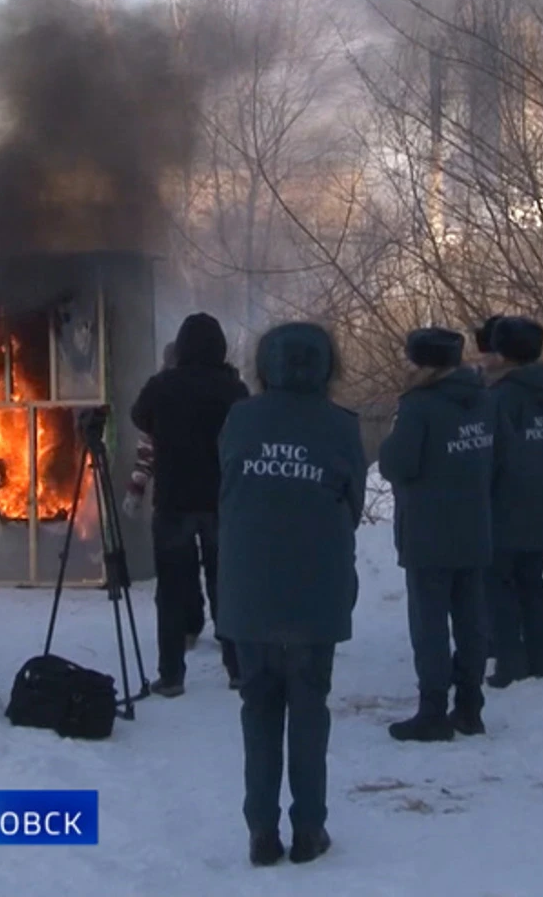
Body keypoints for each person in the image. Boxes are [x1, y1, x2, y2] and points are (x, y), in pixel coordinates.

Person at [217, 322, 365, 867]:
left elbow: (227, 483)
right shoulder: (341, 427)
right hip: (315, 591)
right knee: (309, 709)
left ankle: (261, 831)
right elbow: (352, 504)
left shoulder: (240, 419)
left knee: (258, 709)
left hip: (249, 591)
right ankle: (309, 829)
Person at [377, 327, 498, 742]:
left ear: (421, 363)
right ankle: (470, 706)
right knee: (471, 620)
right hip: (476, 525)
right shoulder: (483, 399)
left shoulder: (419, 406)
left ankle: (432, 711)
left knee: (429, 624)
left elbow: (397, 464)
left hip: (428, 530)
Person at [129, 313, 250, 696]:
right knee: (226, 585)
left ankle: (171, 675)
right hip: (221, 501)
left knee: (172, 589)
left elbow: (138, 417)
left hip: (174, 501)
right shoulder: (234, 390)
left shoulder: (162, 386)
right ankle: (237, 668)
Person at [484, 316, 543, 687]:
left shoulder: (501, 397)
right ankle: (539, 659)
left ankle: (510, 662)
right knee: (532, 583)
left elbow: (495, 455)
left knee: (499, 584)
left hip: (506, 505)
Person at [122, 343, 178, 519]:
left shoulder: (159, 392)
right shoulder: (219, 390)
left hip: (171, 498)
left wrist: (136, 490)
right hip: (210, 501)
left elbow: (146, 454)